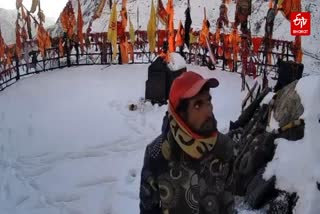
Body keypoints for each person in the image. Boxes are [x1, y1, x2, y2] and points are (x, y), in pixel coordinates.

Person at [139, 71, 235, 214]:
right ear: (180, 114)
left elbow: (228, 205)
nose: (208, 110)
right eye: (197, 105)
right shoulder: (157, 153)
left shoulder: (224, 147)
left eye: (208, 100)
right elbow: (148, 210)